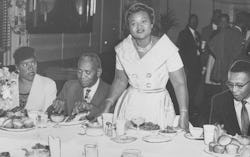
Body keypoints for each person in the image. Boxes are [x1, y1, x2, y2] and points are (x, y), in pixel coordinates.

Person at [103, 3, 189, 130]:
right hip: (131, 104)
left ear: (152, 24)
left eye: (144, 21)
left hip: (158, 105)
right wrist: (108, 103)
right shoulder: (123, 49)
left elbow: (179, 83)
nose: (139, 27)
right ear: (128, 27)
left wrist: (184, 113)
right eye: (133, 23)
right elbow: (120, 80)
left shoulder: (166, 47)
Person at [50, 53, 110, 121]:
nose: (82, 76)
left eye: (87, 72)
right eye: (79, 71)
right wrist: (57, 107)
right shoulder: (69, 86)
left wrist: (90, 108)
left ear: (98, 72)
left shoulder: (110, 92)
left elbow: (110, 118)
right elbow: (50, 111)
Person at [210, 58, 250, 136]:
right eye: (230, 84)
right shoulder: (219, 101)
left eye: (240, 85)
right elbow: (215, 132)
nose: (234, 90)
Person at [13, 46, 57, 112]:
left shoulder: (48, 84)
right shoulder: (8, 84)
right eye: (25, 65)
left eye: (33, 63)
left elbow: (47, 114)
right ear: (17, 67)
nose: (31, 68)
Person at [176, 14, 203, 121]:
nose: (194, 23)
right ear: (189, 21)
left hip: (196, 67)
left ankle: (191, 110)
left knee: (194, 90)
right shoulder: (183, 34)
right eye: (193, 21)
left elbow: (197, 49)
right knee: (188, 89)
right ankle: (187, 111)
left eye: (196, 21)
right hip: (188, 67)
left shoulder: (198, 34)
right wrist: (184, 67)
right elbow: (180, 51)